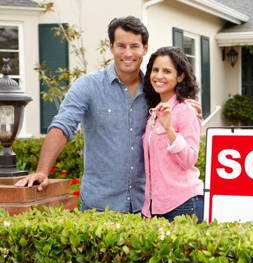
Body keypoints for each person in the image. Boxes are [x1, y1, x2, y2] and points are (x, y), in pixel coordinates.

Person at [15, 16, 201, 214]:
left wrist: (188, 106)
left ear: (145, 48)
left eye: (134, 46)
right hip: (99, 205)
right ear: (111, 46)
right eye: (121, 45)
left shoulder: (155, 90)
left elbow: (178, 114)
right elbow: (63, 125)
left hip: (144, 206)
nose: (128, 53)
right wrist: (43, 171)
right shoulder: (88, 86)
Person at [141, 47, 204, 222]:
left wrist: (169, 129)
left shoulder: (186, 110)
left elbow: (189, 159)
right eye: (155, 70)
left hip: (183, 203)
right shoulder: (153, 113)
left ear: (180, 76)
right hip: (154, 207)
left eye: (167, 71)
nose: (159, 76)